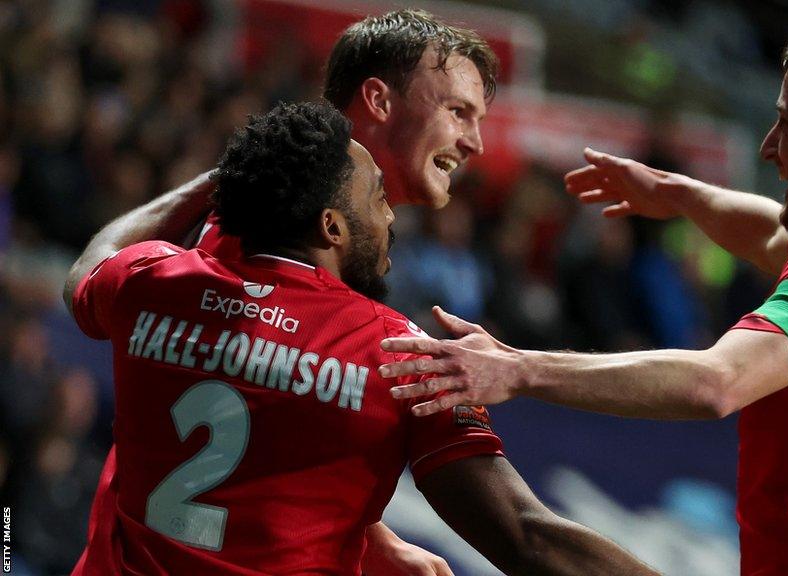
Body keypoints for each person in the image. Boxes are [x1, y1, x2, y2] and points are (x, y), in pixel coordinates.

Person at [382, 19, 788, 575]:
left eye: (786, 123)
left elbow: (718, 383)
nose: (769, 147)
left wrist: (518, 368)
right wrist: (675, 193)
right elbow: (772, 232)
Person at [65, 101, 655, 575]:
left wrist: (218, 181)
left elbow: (89, 265)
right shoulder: (396, 350)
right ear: (331, 226)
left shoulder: (151, 282)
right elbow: (527, 540)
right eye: (378, 197)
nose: (392, 217)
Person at [77, 9, 499, 574]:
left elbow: (262, 427)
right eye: (457, 112)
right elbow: (238, 400)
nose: (474, 141)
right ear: (378, 101)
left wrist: (376, 539)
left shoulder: (320, 231)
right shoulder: (253, 231)